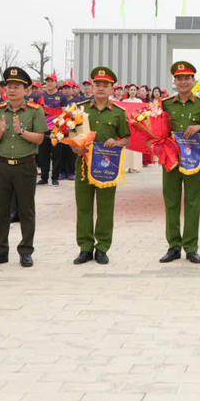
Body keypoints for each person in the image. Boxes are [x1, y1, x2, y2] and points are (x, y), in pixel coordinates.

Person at [0, 67, 46, 267]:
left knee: (26, 210)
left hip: (25, 165)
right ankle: (0, 250)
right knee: (2, 210)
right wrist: (0, 132)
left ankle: (26, 250)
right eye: (9, 86)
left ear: (26, 90)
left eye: (17, 87)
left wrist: (22, 132)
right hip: (3, 166)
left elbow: (40, 138)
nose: (11, 90)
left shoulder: (35, 111)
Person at [71, 67, 131, 265]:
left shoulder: (119, 113)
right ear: (92, 87)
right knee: (84, 207)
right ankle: (85, 248)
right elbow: (71, 135)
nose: (101, 88)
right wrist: (76, 147)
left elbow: (127, 138)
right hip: (83, 164)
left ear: (112, 89)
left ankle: (102, 247)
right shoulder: (80, 110)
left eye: (106, 85)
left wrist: (117, 142)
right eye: (97, 84)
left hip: (107, 166)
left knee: (105, 207)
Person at [158, 61, 200, 264]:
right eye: (179, 78)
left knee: (192, 203)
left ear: (193, 80)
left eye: (187, 78)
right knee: (171, 202)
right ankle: (173, 246)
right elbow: (156, 128)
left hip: (193, 160)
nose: (183, 82)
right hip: (170, 160)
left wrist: (199, 127)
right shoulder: (165, 104)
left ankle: (191, 247)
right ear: (174, 81)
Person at [33, 74, 66, 186]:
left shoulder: (62, 97)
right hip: (44, 129)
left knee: (57, 154)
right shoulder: (41, 96)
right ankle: (44, 177)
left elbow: (64, 112)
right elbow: (37, 111)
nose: (49, 83)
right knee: (43, 155)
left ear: (56, 83)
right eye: (47, 81)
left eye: (52, 81)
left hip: (57, 129)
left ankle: (55, 177)